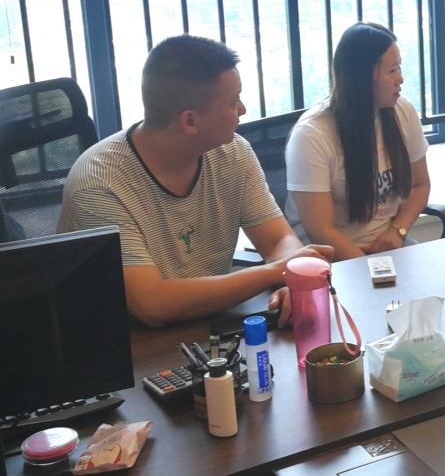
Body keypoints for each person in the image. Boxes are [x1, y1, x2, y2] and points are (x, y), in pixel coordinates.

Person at [57, 35, 334, 327]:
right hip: (122, 338)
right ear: (190, 121)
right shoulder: (99, 183)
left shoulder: (233, 153)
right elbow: (152, 304)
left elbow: (277, 240)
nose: (242, 109)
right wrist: (276, 272)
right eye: (233, 101)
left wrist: (293, 277)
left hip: (212, 323)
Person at [285, 22, 431, 261]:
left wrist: (398, 231)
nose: (400, 79)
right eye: (391, 70)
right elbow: (320, 230)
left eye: (399, 68)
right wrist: (371, 269)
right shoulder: (311, 135)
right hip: (329, 258)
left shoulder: (403, 111)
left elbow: (419, 185)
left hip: (387, 250)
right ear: (362, 77)